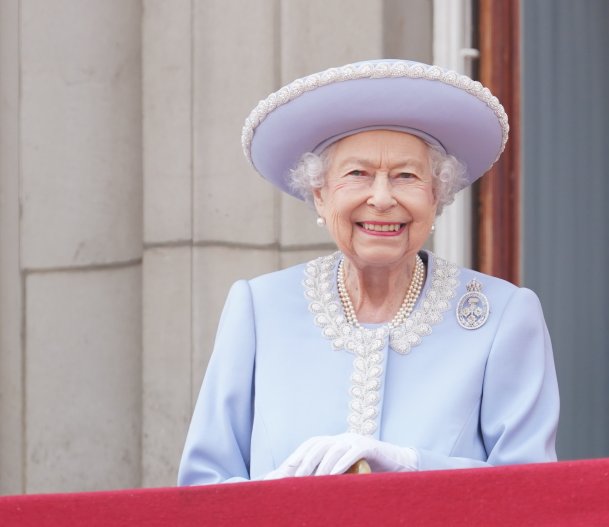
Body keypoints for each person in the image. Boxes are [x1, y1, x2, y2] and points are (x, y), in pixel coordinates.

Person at [178, 59, 559, 485]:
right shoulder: (258, 308)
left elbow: (531, 488)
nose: (381, 198)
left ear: (437, 196)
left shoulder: (503, 315)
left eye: (406, 176)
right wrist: (273, 494)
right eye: (357, 174)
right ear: (320, 195)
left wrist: (411, 466)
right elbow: (202, 486)